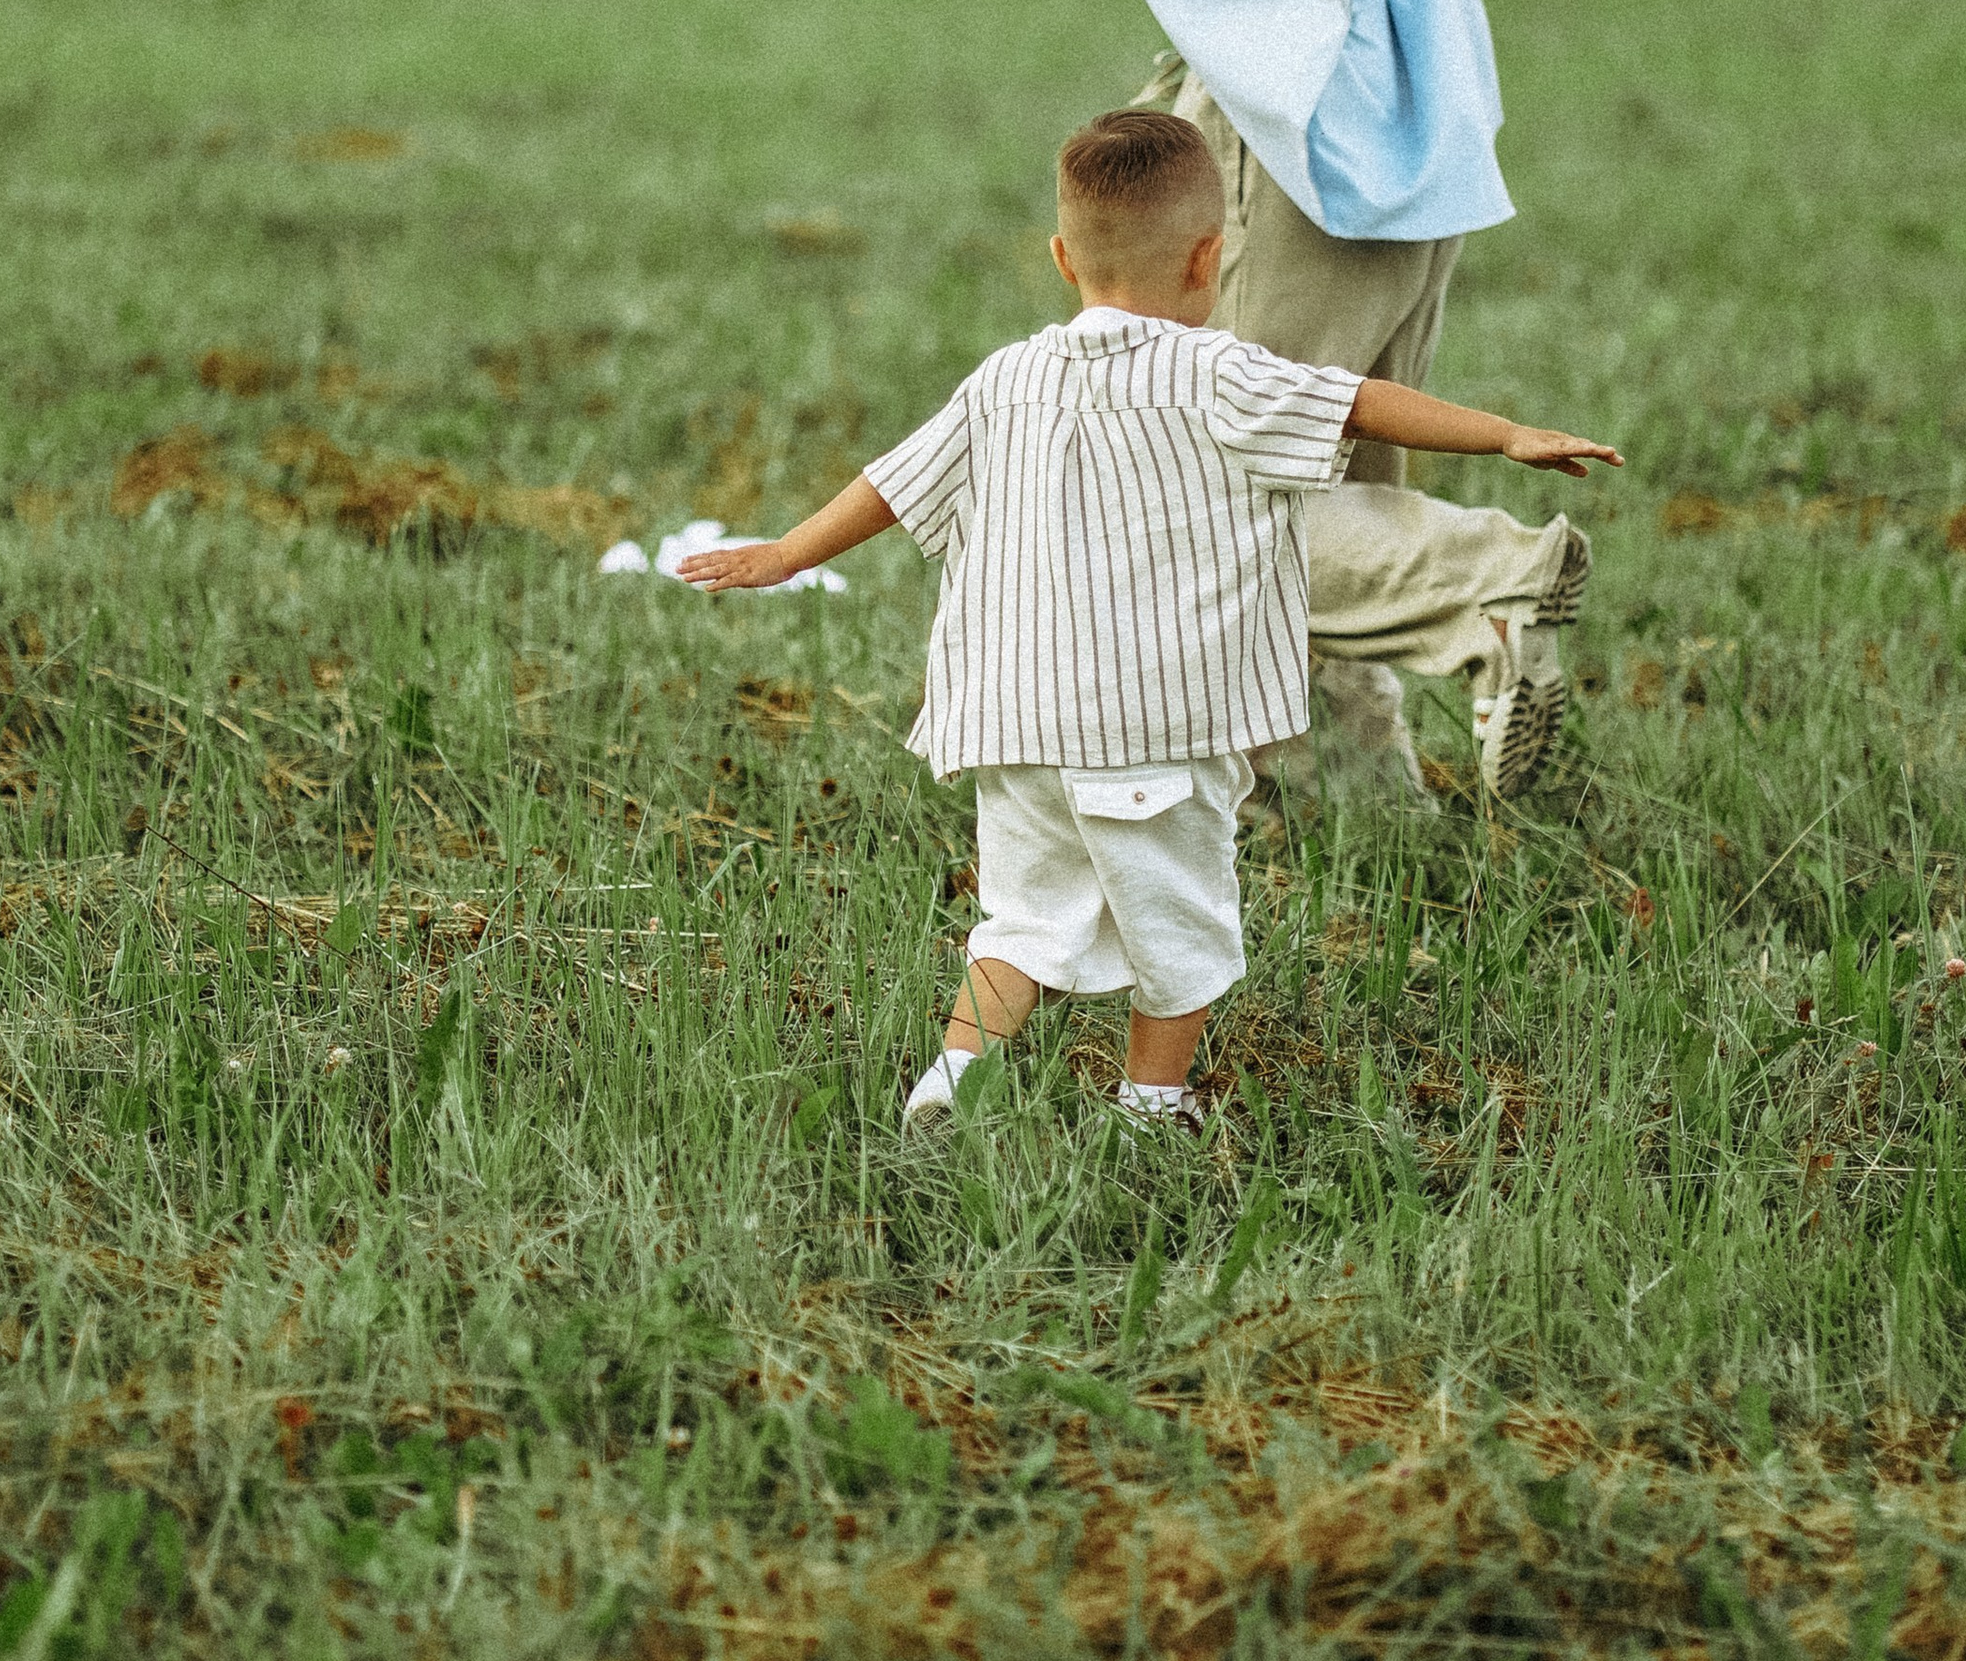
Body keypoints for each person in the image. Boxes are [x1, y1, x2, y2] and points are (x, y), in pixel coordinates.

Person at [682, 110, 1619, 1135]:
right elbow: (1359, 404)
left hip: (1016, 727)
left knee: (1024, 920)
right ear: (1209, 257)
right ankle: (1152, 1103)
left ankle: (954, 1078)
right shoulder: (1221, 374)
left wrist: (782, 554)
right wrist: (1507, 436)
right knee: (1184, 925)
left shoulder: (1003, 379)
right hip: (1161, 731)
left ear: (1058, 257)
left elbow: (890, 487)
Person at [1057, 0, 1584, 806]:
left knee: (1225, 490)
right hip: (1396, 146)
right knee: (1328, 476)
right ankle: (1371, 810)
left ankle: (1495, 596)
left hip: (1288, 157)